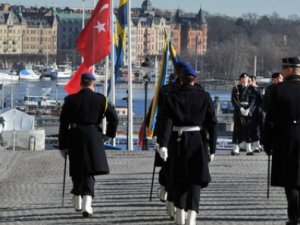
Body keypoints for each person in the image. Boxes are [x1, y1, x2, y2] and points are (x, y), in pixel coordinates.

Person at [158, 63, 217, 225]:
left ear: (180, 79)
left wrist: (162, 144)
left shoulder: (172, 97)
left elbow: (166, 123)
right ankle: (192, 213)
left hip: (178, 140)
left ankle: (181, 213)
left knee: (179, 178)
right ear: (194, 79)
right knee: (195, 179)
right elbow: (212, 123)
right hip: (198, 141)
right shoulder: (204, 96)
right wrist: (213, 147)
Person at [59, 73, 118, 218]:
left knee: (77, 167)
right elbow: (114, 118)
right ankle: (86, 201)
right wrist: (109, 135)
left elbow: (63, 124)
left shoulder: (70, 100)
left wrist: (62, 145)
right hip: (93, 136)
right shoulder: (101, 100)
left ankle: (78, 195)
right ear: (93, 84)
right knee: (89, 170)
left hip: (75, 135)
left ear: (81, 84)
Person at [263, 57, 300, 225]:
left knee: (290, 178)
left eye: (284, 69)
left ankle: (294, 216)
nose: (282, 72)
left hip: (286, 137)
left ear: (290, 70)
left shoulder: (278, 90)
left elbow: (270, 120)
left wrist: (267, 142)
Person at [231, 73, 257, 156]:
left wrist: (249, 108)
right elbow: (234, 99)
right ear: (240, 79)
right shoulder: (236, 88)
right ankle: (236, 148)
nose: (244, 79)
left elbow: (253, 100)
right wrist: (240, 108)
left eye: (245, 78)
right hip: (239, 111)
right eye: (242, 78)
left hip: (248, 111)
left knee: (248, 129)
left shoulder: (251, 88)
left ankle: (248, 148)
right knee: (237, 129)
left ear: (248, 79)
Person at [249, 75, 263, 152]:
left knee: (259, 128)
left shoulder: (258, 89)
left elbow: (261, 99)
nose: (249, 82)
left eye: (251, 81)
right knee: (253, 128)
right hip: (252, 111)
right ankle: (255, 144)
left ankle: (258, 144)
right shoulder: (249, 89)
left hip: (259, 110)